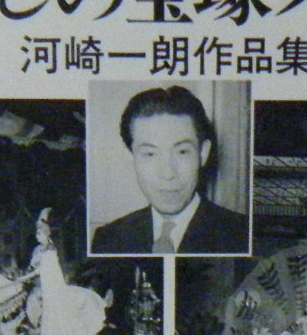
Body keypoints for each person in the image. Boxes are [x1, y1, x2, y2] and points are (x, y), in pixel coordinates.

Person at [90, 86, 249, 256]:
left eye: (182, 152)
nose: (168, 174)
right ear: (132, 158)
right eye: (150, 154)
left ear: (203, 153)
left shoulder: (242, 236)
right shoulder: (108, 240)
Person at [23, 210, 113, 335]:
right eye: (37, 233)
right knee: (30, 298)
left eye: (40, 233)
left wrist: (24, 278)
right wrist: (23, 277)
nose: (38, 236)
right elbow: (31, 267)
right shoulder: (37, 250)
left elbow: (39, 271)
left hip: (54, 288)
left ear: (46, 234)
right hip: (42, 286)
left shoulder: (50, 250)